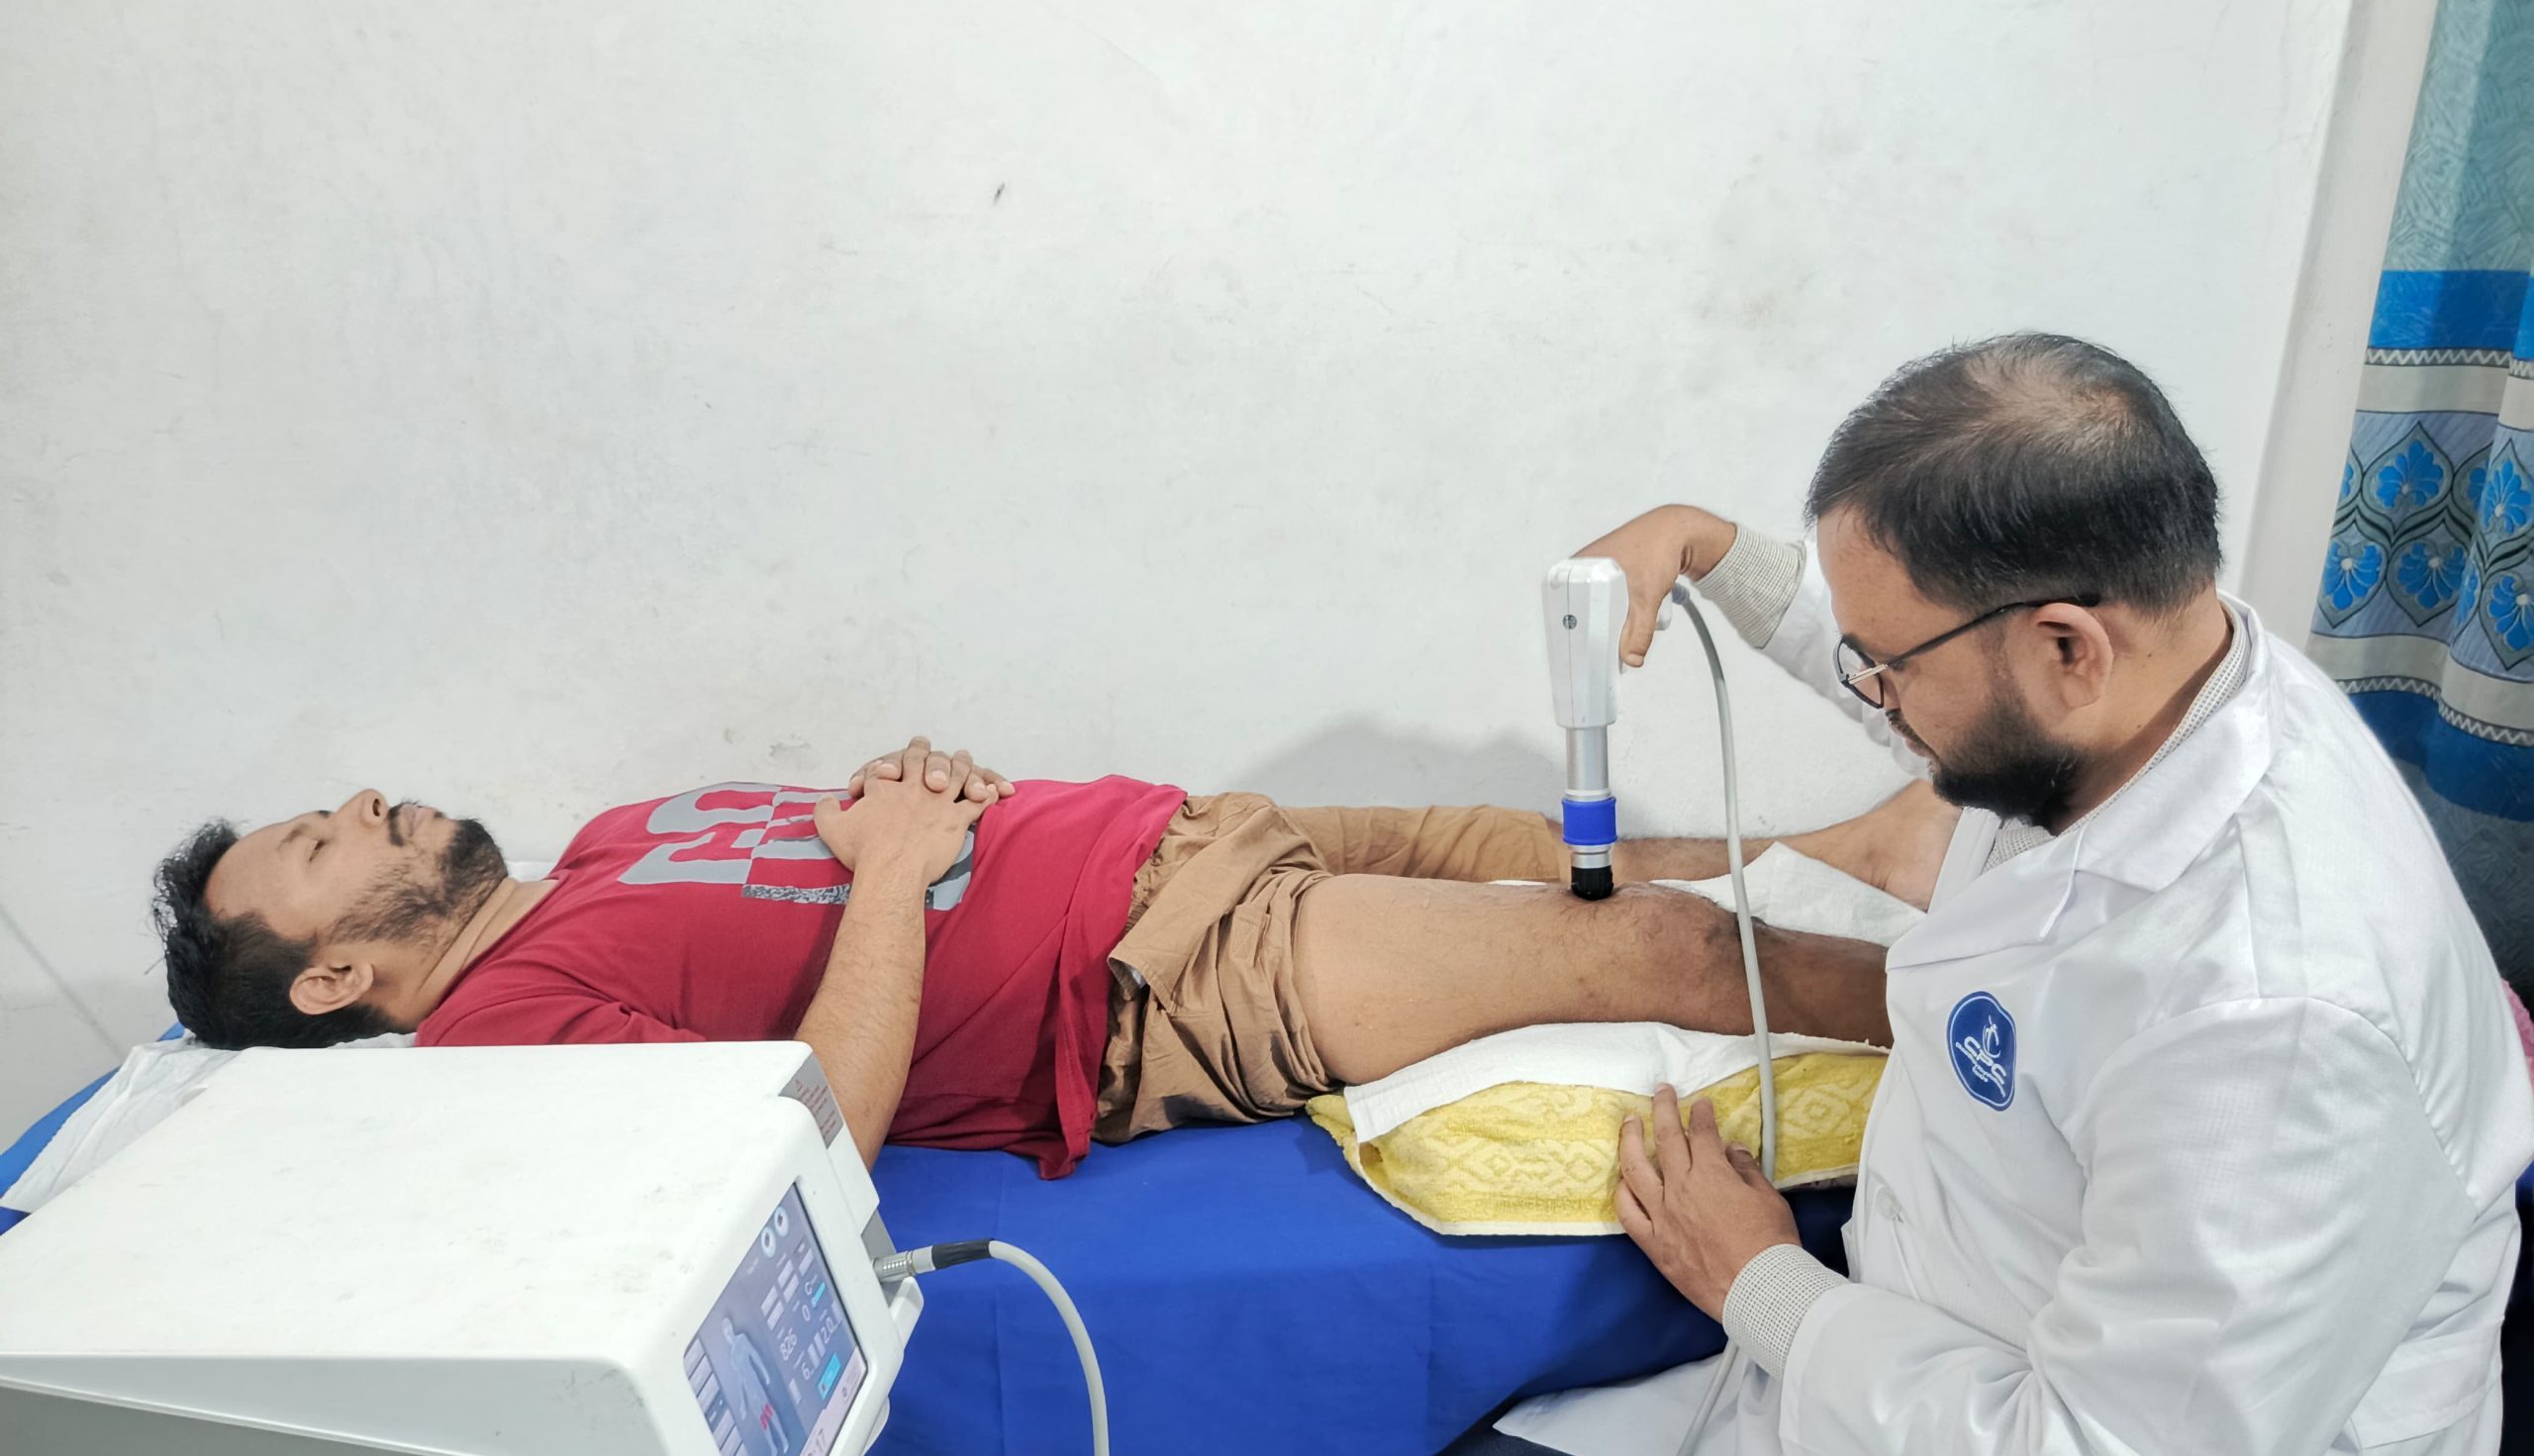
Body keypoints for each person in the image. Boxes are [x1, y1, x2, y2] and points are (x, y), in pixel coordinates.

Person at [1513, 333, 2534, 1456]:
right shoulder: (2161, 650)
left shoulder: (2273, 1022)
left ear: (2070, 652)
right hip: (1927, 1342)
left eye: (1886, 670)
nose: (1875, 697)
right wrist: (1709, 547)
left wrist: (1756, 1284)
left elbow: (2100, 1443)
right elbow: (1943, 663)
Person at [153, 743, 1947, 1177]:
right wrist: (900, 867)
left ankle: (1869, 854)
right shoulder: (498, 1035)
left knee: (1529, 842)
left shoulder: (613, 837)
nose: (361, 804)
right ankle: (1983, 1015)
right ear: (327, 982)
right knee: (1654, 945)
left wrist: (921, 793)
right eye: (321, 845)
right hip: (1155, 983)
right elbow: (818, 1129)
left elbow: (864, 846)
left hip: (1163, 834)